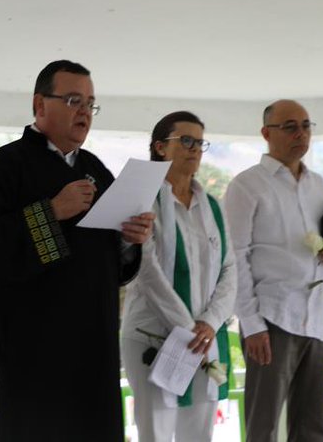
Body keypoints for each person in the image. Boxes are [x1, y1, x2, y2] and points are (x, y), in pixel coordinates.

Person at [0, 60, 153, 440]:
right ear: (39, 105)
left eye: (90, 103)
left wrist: (129, 240)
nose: (84, 112)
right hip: (34, 346)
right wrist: (51, 212)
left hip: (93, 341)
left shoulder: (96, 170)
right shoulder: (4, 166)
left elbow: (111, 264)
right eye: (72, 100)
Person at [222, 99, 323, 441]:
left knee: (313, 428)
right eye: (290, 126)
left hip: (319, 319)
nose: (300, 134)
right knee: (263, 425)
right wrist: (251, 324)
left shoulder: (319, 185)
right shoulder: (246, 185)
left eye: (306, 126)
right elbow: (235, 258)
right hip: (273, 319)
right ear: (266, 133)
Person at [120, 111, 236, 441]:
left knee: (199, 433)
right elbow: (146, 270)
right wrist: (188, 329)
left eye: (200, 142)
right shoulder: (142, 200)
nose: (195, 148)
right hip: (153, 334)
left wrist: (209, 323)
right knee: (155, 432)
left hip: (203, 338)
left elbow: (230, 270)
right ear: (159, 147)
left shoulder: (212, 205)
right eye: (186, 141)